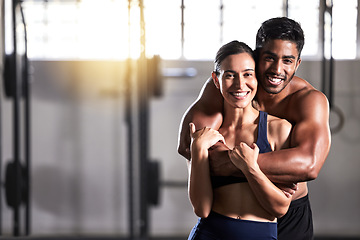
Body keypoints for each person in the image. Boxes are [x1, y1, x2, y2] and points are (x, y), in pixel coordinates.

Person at [178, 17, 331, 240]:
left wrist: (241, 163)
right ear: (256, 56)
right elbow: (188, 144)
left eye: (287, 61)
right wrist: (251, 166)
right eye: (269, 58)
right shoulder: (228, 85)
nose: (277, 70)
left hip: (291, 212)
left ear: (297, 64)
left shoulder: (308, 100)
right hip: (228, 216)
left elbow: (308, 166)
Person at [187, 40, 292, 240]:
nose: (239, 84)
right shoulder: (205, 136)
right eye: (229, 75)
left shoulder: (279, 129)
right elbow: (202, 208)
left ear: (257, 78)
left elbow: (280, 208)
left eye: (247, 74)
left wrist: (250, 167)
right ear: (216, 80)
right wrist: (198, 149)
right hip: (210, 234)